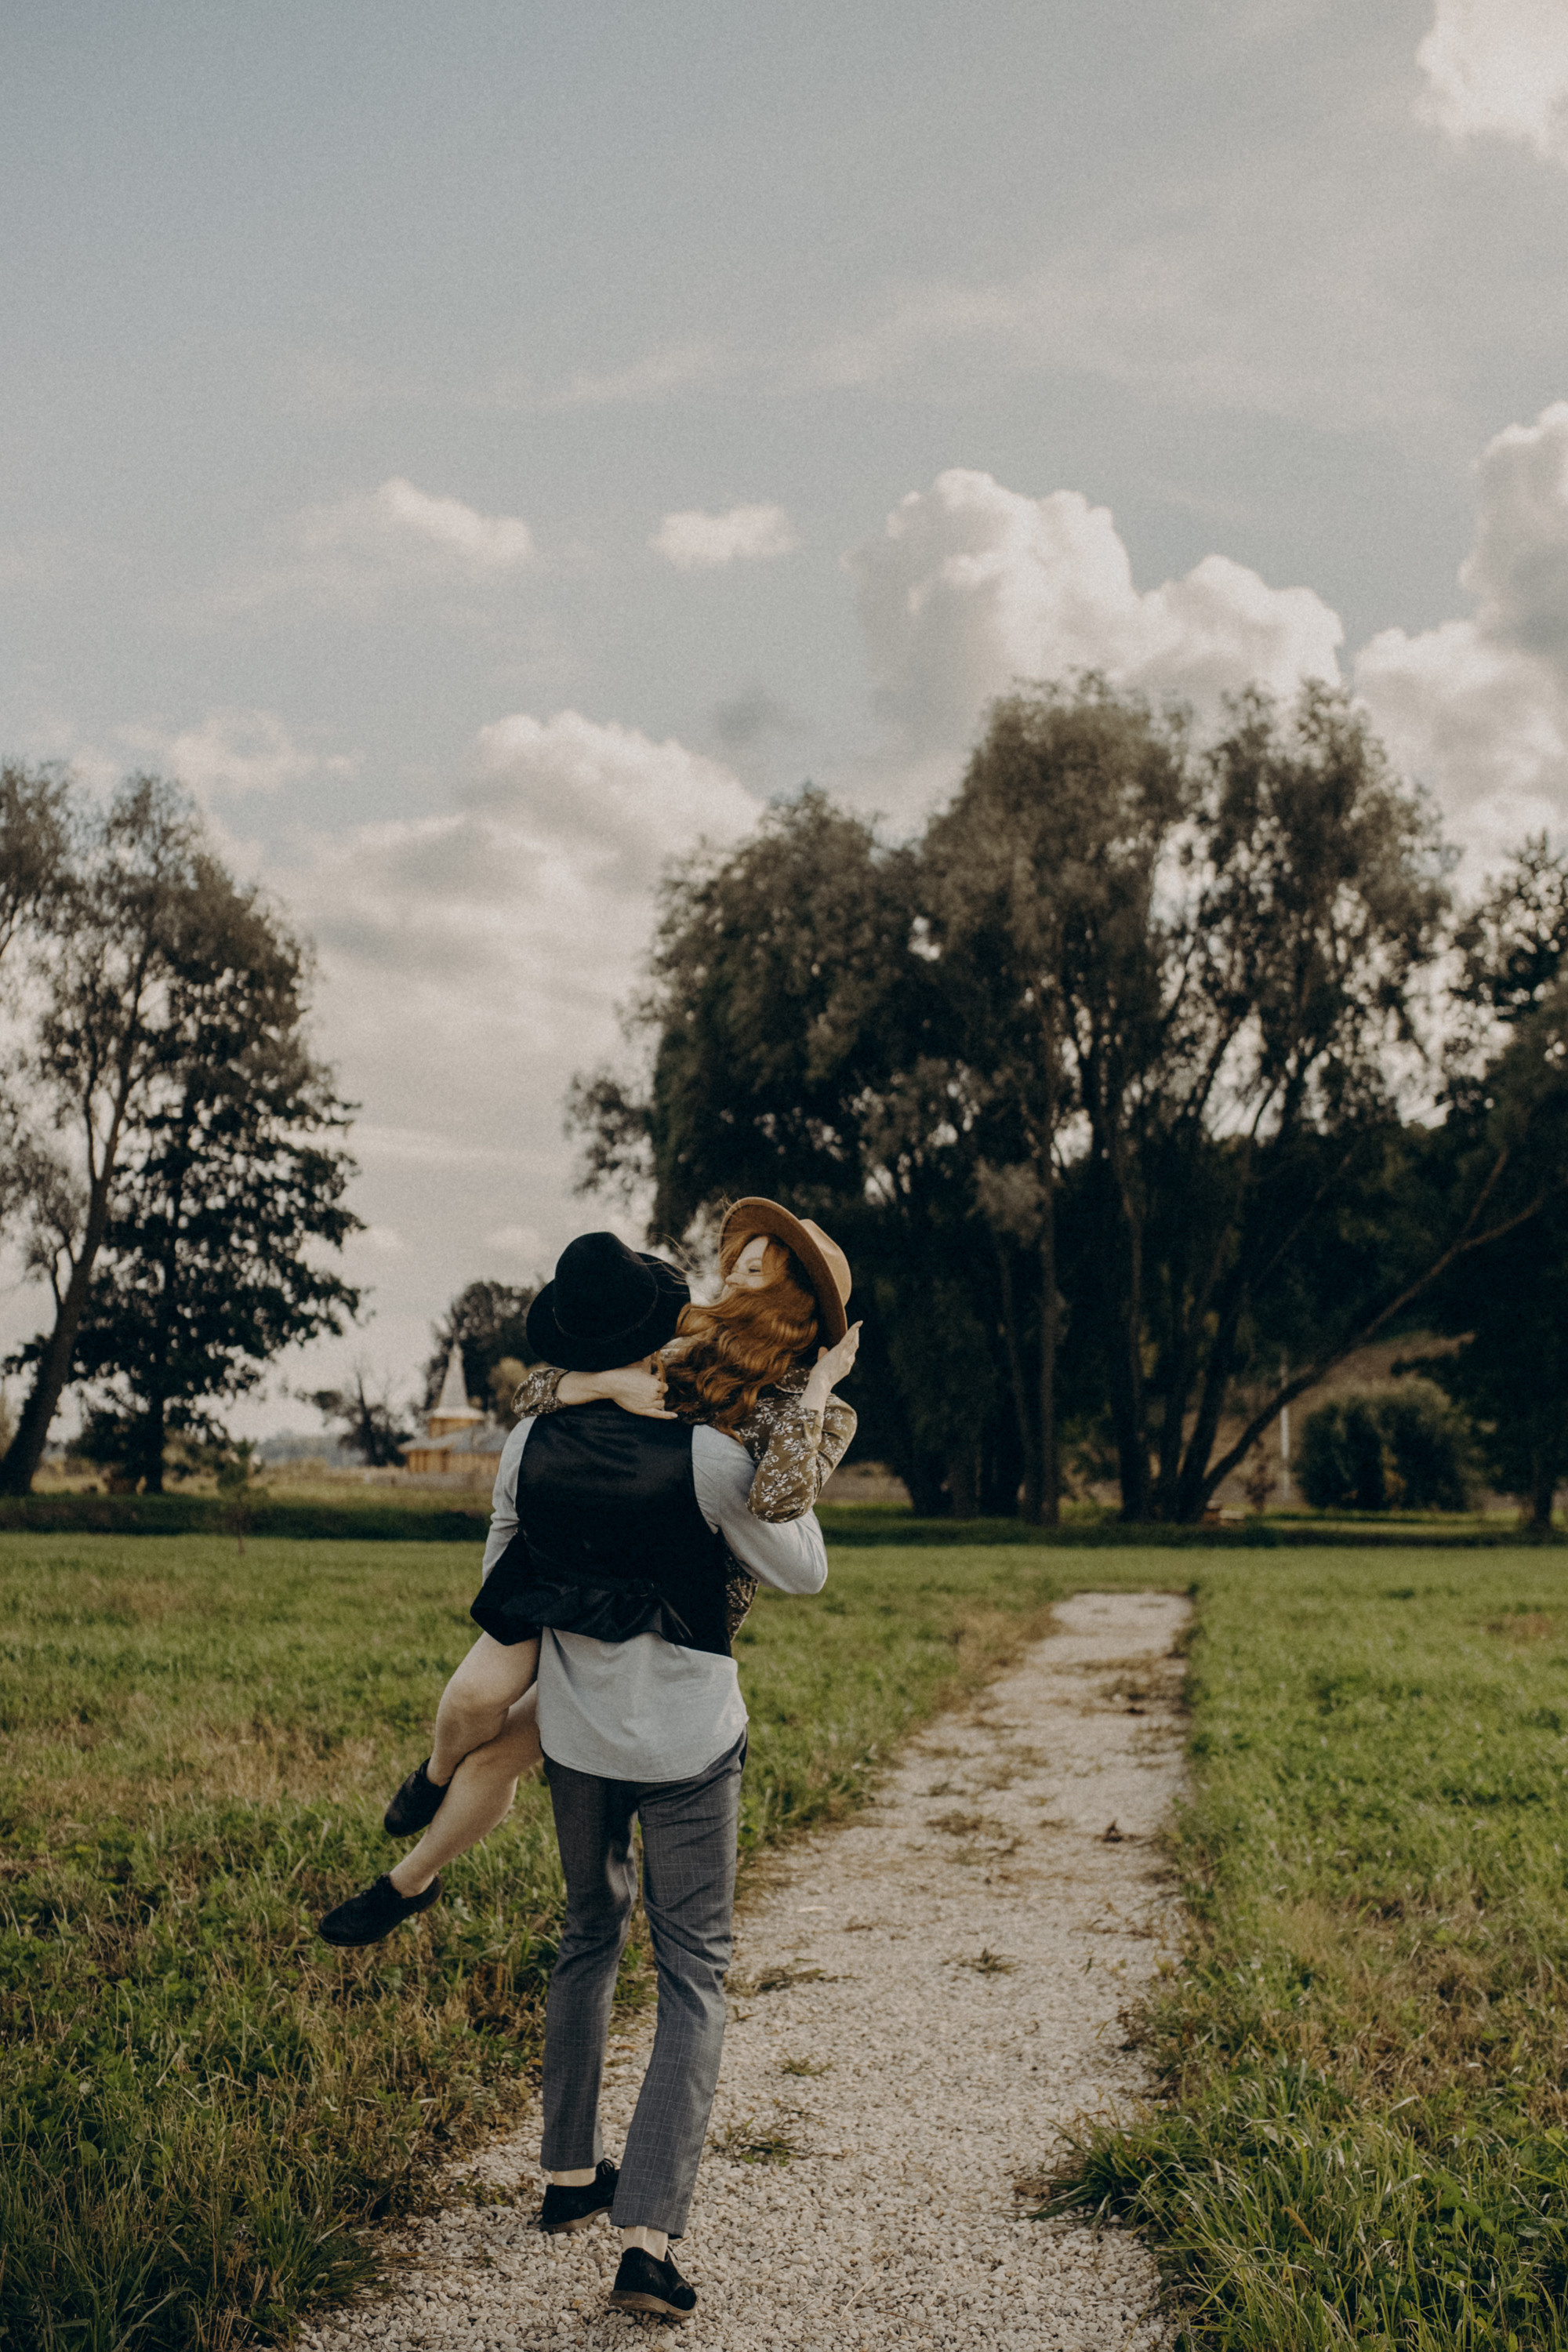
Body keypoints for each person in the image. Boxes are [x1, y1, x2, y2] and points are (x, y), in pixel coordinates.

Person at [318, 1204, 858, 1949]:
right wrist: (604, 1387)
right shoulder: (681, 1344)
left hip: (666, 1601)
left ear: (789, 1299)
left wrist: (822, 1382)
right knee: (477, 1703)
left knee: (514, 1742)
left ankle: (406, 1882)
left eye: (753, 1268)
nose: (730, 1274)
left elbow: (781, 1497)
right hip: (581, 1556)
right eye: (734, 1260)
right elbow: (534, 1395)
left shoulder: (814, 1409)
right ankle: (428, 1805)